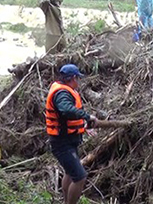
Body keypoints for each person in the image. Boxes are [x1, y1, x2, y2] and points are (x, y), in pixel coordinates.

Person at [46, 64, 97, 204]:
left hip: (67, 140)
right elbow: (66, 110)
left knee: (70, 172)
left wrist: (84, 126)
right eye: (77, 79)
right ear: (73, 78)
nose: (78, 82)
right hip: (62, 143)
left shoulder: (62, 89)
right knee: (80, 177)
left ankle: (65, 201)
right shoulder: (62, 93)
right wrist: (87, 116)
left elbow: (65, 119)